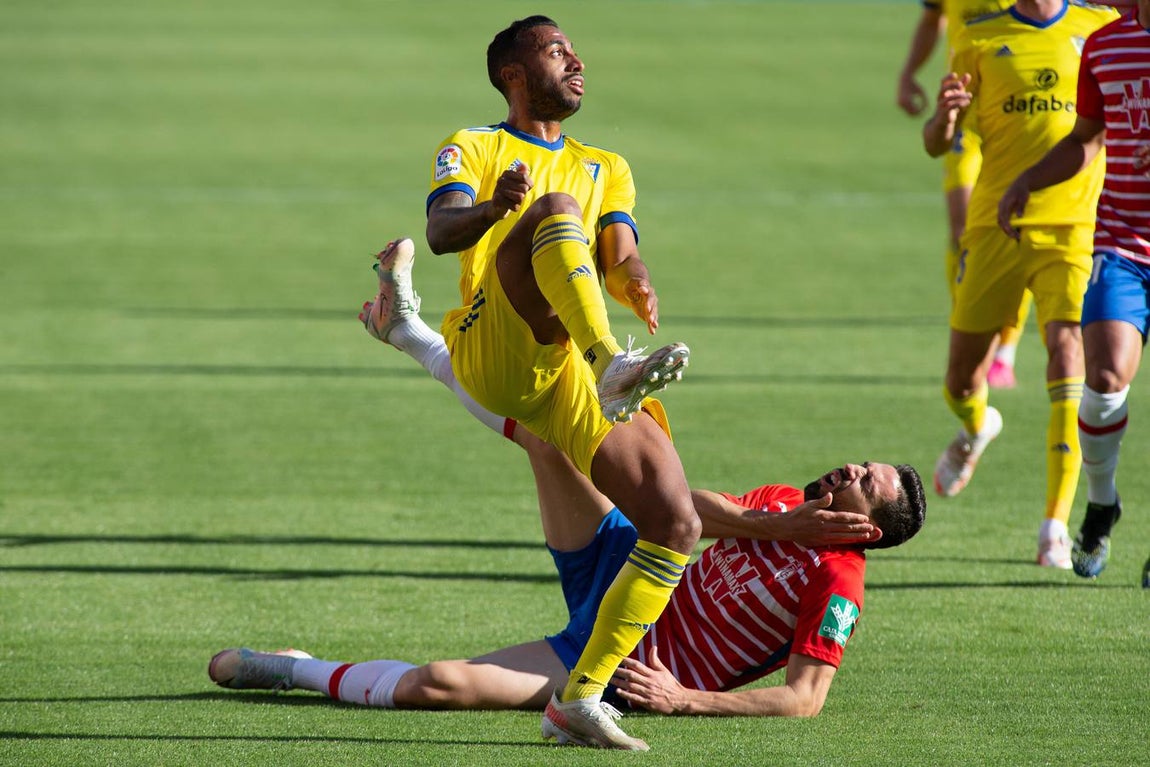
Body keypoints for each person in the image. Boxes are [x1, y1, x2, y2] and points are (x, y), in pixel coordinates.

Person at [212, 264, 927, 721]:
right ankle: (411, 334)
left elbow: (804, 699)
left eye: (867, 483)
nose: (851, 471)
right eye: (862, 463)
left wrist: (685, 699)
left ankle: (295, 668)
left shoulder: (839, 586)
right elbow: (683, 509)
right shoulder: (780, 502)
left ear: (868, 530)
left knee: (440, 684)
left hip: (615, 656)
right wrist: (773, 527)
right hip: (627, 554)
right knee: (546, 433)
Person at [396, 16, 699, 749]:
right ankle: (609, 362)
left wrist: (637, 278)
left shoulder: (607, 164)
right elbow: (440, 232)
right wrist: (496, 209)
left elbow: (620, 252)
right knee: (551, 213)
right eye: (558, 51)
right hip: (492, 344)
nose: (578, 61)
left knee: (674, 520)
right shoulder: (471, 145)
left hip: (562, 373)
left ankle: (583, 696)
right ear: (512, 73)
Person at [922, 0, 1120, 568]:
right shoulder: (981, 37)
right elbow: (937, 142)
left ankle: (1054, 525)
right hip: (994, 226)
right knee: (961, 379)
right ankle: (980, 424)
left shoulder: (1098, 28)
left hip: (1077, 227)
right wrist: (946, 118)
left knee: (1067, 353)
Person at [997, 0, 1150, 580]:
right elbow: (1086, 138)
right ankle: (1103, 501)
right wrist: (1026, 182)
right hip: (1123, 245)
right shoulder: (1107, 47)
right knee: (1105, 377)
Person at [897, 0, 1034, 390]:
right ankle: (967, 330)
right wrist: (908, 74)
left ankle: (1004, 352)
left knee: (1016, 232)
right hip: (964, 120)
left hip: (1012, 119)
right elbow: (931, 18)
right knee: (962, 229)